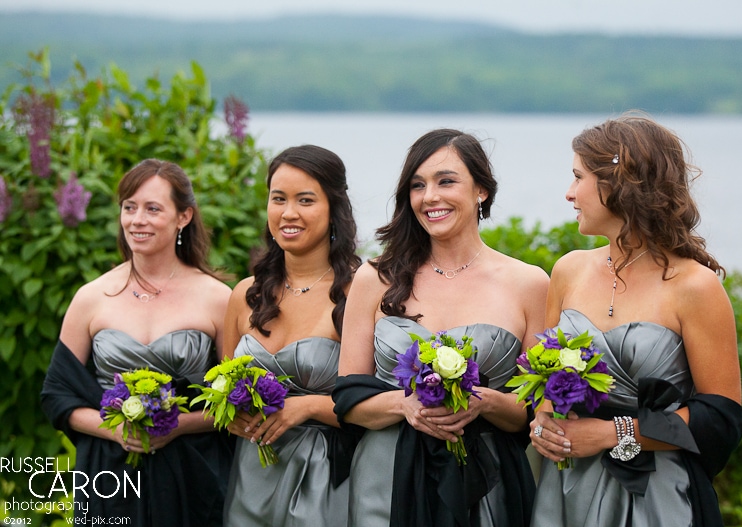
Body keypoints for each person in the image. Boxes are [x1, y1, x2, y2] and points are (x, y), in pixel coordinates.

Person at [529, 113, 742, 526]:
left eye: (578, 177)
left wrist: (612, 434)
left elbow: (720, 418)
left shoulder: (694, 287)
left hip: (660, 496)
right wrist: (542, 419)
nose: (569, 194)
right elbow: (543, 376)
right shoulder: (568, 270)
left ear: (618, 183)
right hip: (567, 491)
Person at [333, 128, 549, 527]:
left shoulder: (530, 283)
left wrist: (485, 402)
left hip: (488, 484)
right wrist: (404, 405)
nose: (429, 196)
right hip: (386, 479)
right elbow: (347, 397)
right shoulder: (373, 279)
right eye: (418, 185)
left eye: (445, 181)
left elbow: (534, 410)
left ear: (481, 190)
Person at [40, 159, 234, 526]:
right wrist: (116, 429)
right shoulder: (91, 297)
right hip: (108, 476)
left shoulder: (218, 298)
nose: (137, 220)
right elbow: (56, 396)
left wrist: (177, 425)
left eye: (153, 209)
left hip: (192, 476)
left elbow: (233, 404)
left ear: (184, 216)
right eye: (129, 208)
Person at [222, 145, 361, 527]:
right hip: (251, 475)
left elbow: (381, 403)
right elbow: (219, 386)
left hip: (325, 480)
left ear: (334, 208)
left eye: (305, 200)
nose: (288, 213)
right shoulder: (244, 294)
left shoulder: (360, 293)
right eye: (278, 198)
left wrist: (310, 406)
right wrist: (231, 414)